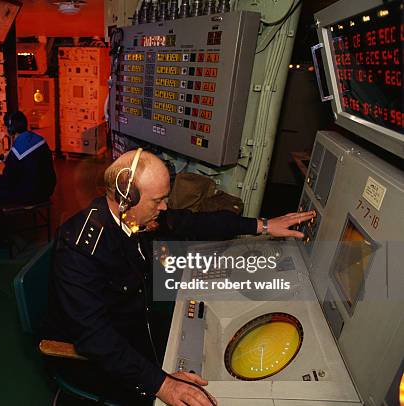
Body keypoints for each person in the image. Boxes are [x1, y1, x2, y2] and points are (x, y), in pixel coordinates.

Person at [42, 149, 315, 406]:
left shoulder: (138, 217)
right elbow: (95, 337)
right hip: (102, 355)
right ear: (127, 199)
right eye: (157, 201)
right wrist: (164, 385)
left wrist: (264, 225)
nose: (164, 208)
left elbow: (194, 223)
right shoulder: (80, 248)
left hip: (134, 323)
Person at [0, 111, 56, 205]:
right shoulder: (40, 139)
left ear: (9, 129)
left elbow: (7, 183)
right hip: (47, 189)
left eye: (4, 126)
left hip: (32, 195)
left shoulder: (16, 153)